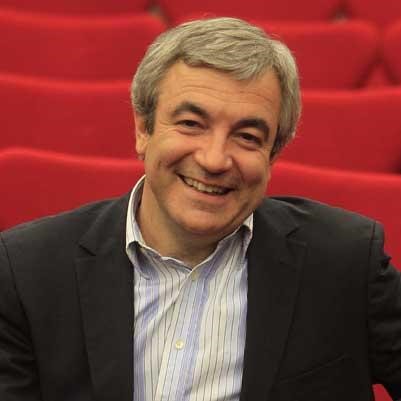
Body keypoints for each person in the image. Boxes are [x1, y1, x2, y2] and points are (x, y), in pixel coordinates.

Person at [0, 17, 400, 401]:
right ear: (143, 129)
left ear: (272, 155)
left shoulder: (346, 264)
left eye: (247, 136)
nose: (214, 159)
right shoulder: (28, 272)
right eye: (191, 124)